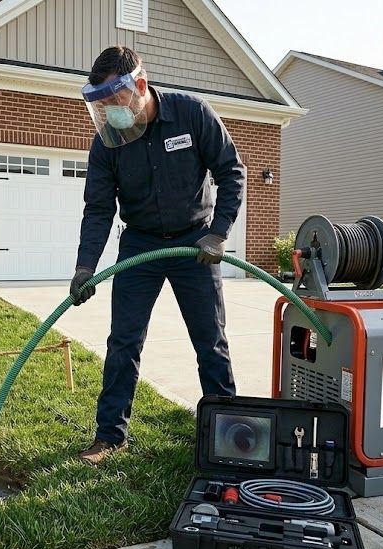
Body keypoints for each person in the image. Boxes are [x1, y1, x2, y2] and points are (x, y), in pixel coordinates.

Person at [71, 46, 246, 465]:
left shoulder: (192, 114)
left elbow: (231, 171)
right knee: (123, 342)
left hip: (194, 243)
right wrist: (84, 267)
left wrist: (218, 233)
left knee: (211, 342)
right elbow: (98, 208)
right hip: (141, 245)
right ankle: (110, 436)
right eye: (103, 105)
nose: (111, 113)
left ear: (141, 86)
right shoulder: (108, 142)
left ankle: (226, 436)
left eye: (116, 101)